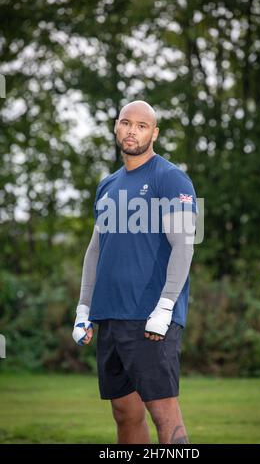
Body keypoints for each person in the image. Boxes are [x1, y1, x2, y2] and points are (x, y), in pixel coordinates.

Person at [72, 100, 198, 444]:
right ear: (116, 126)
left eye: (142, 126)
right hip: (109, 315)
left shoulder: (170, 178)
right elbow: (96, 249)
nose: (132, 130)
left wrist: (166, 306)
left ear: (154, 133)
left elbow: (184, 246)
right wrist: (84, 308)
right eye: (126, 123)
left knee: (163, 412)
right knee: (124, 413)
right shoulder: (107, 185)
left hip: (150, 317)